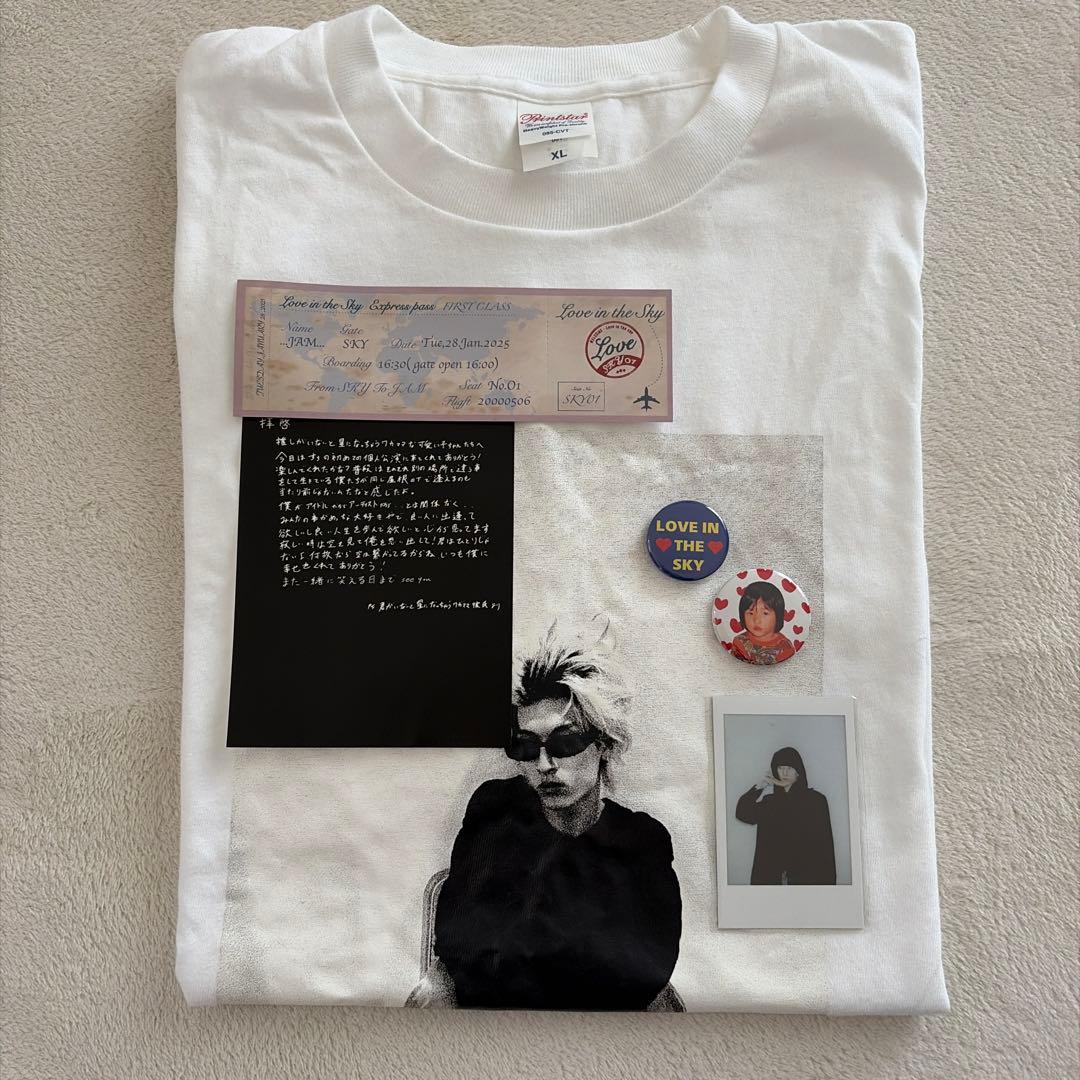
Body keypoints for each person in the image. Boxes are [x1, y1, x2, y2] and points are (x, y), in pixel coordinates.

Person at [424, 620, 682, 1010]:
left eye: (565, 742)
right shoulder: (496, 811)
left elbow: (647, 973)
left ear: (604, 744)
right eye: (526, 747)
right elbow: (459, 945)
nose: (545, 765)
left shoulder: (642, 841)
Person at [734, 746, 836, 885]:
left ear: (798, 772)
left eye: (789, 767)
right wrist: (761, 785)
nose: (785, 772)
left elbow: (825, 846)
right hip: (771, 881)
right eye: (780, 768)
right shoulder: (770, 802)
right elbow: (742, 812)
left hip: (807, 880)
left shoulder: (816, 801)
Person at [730, 580, 796, 665]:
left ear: (778, 615)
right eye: (751, 613)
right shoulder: (740, 642)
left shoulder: (785, 647)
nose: (757, 620)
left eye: (765, 613)